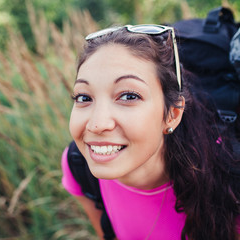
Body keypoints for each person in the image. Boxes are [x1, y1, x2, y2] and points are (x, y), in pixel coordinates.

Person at [61, 24, 240, 240]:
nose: (96, 125)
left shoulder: (229, 179)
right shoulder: (78, 165)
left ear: (172, 114)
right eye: (84, 97)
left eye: (128, 96)